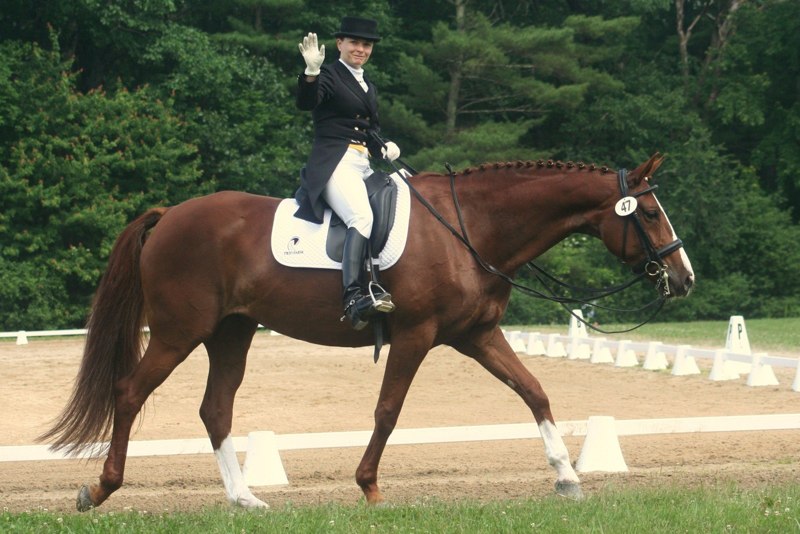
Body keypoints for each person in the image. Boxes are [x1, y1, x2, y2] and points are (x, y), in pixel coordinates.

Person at [295, 16, 401, 331]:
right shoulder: (328, 75)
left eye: (366, 45)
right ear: (340, 43)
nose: (360, 49)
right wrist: (311, 73)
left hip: (363, 164)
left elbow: (369, 131)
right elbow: (307, 102)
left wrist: (384, 146)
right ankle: (353, 298)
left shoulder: (368, 85)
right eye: (354, 42)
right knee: (361, 217)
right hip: (334, 163)